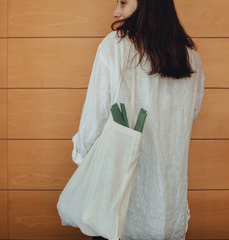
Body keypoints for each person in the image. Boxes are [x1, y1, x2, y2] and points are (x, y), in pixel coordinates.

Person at [72, 0, 205, 239]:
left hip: (117, 205)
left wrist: (82, 158)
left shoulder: (115, 47)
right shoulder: (192, 59)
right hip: (167, 206)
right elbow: (188, 119)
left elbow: (93, 123)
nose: (116, 11)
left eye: (123, 2)